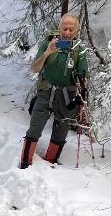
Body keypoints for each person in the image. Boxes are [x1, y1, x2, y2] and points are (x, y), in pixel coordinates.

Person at [19, 13, 90, 168]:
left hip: (66, 96)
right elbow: (34, 68)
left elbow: (84, 76)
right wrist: (47, 53)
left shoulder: (80, 50)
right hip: (46, 91)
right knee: (35, 127)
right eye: (65, 28)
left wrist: (82, 91)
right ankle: (25, 164)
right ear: (59, 28)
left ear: (77, 31)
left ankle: (51, 162)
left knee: (61, 131)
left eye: (72, 29)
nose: (68, 32)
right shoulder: (48, 44)